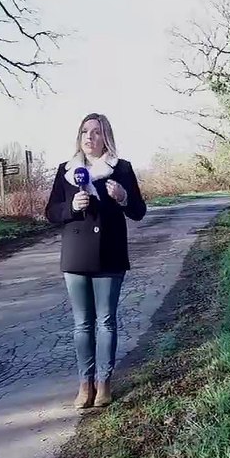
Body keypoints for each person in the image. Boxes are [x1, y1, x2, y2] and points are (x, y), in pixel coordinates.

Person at [46, 113, 147, 408]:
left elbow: (139, 211)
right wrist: (71, 207)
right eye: (84, 132)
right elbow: (51, 212)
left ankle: (104, 383)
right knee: (82, 323)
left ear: (107, 138)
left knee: (105, 321)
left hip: (110, 252)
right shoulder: (66, 171)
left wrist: (124, 196)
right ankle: (84, 383)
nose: (89, 137)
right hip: (76, 254)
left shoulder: (122, 169)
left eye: (96, 132)